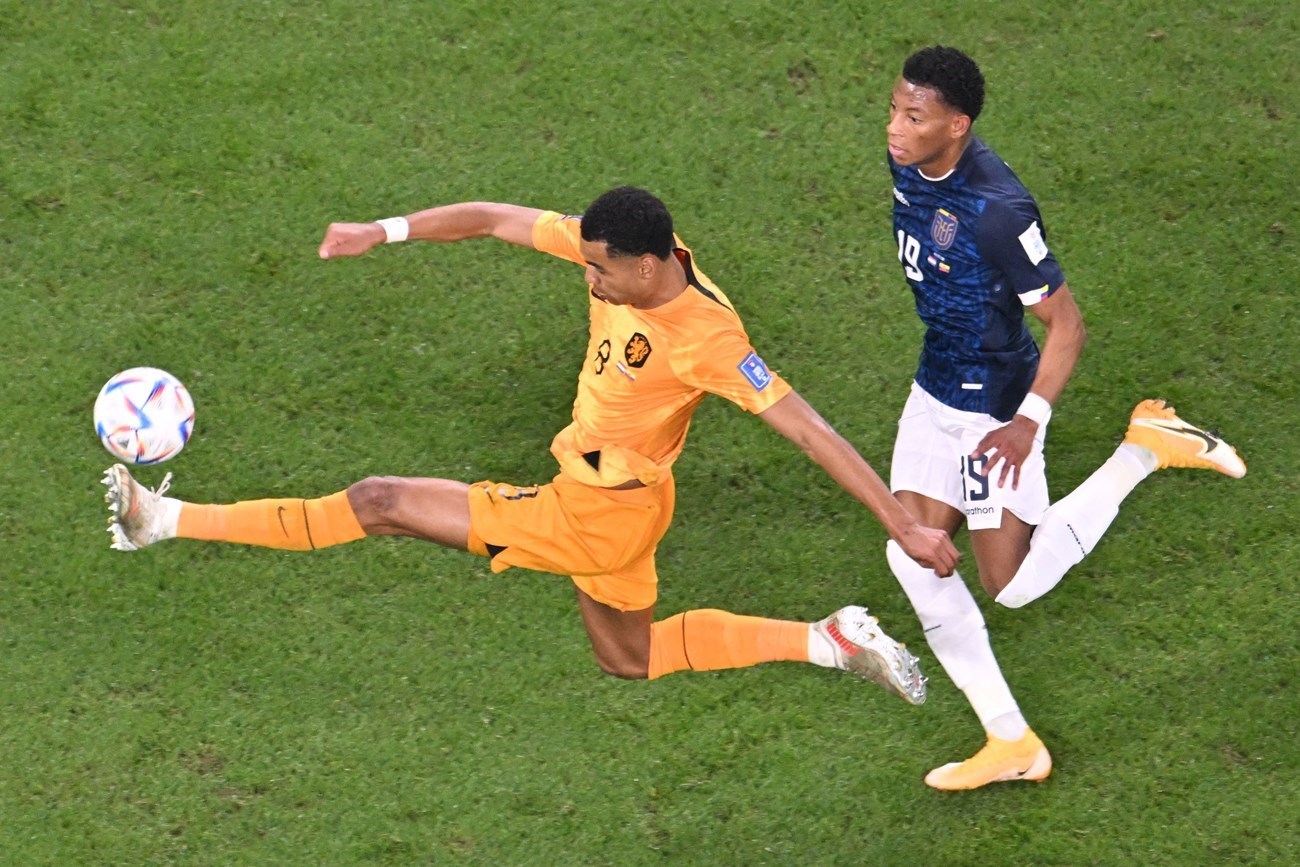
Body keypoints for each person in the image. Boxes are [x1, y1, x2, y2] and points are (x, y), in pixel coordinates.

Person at [103, 186, 961, 706]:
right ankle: (827, 640)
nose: (588, 278)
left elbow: (809, 428)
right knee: (629, 658)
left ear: (648, 266)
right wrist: (380, 231)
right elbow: (489, 218)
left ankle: (164, 520)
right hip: (628, 502)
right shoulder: (630, 251)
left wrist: (905, 525)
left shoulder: (708, 339)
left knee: (379, 501)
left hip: (595, 512)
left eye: (600, 271)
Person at [881, 46, 1246, 789]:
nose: (894, 127)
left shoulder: (999, 210)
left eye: (914, 117)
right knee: (912, 552)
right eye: (893, 109)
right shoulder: (909, 164)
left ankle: (1145, 449)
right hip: (933, 388)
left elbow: (1067, 325)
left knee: (1009, 583)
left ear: (958, 125)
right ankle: (1011, 740)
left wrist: (1029, 421)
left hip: (994, 409)